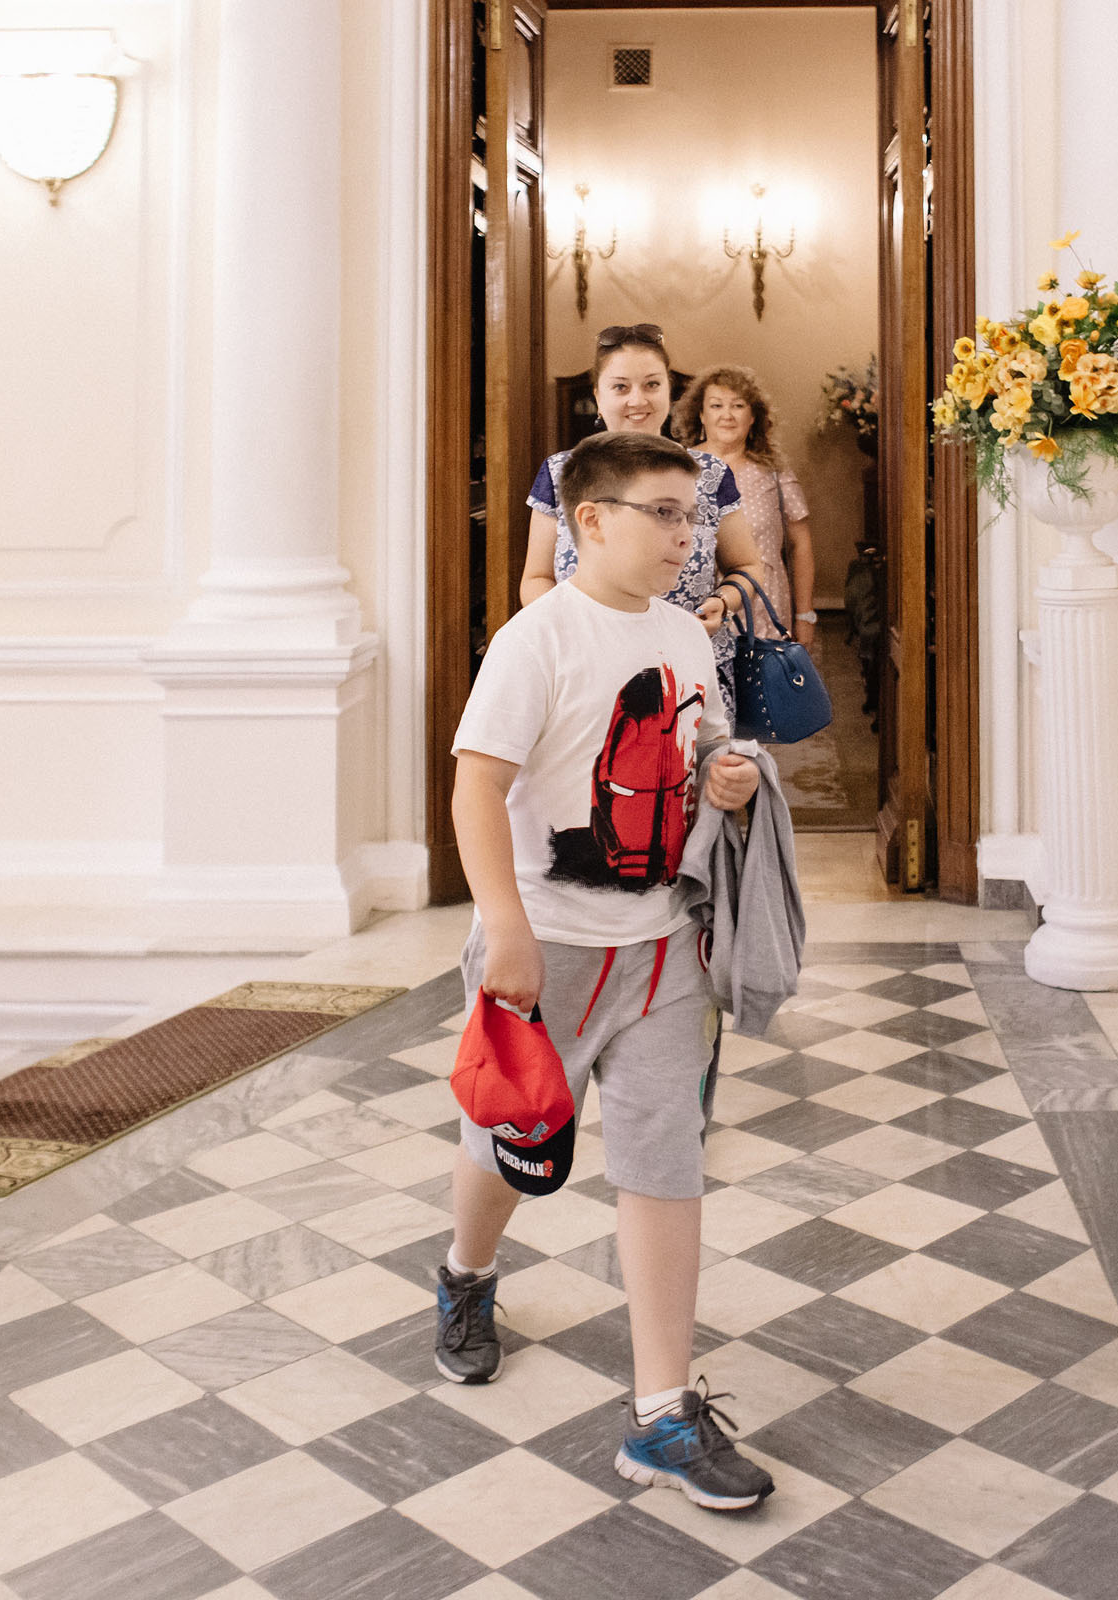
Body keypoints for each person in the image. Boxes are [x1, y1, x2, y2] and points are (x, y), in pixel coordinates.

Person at [438, 428, 775, 1511]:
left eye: (693, 515)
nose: (690, 536)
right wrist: (507, 929)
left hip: (663, 944)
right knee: (512, 1138)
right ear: (591, 520)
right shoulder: (537, 639)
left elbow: (698, 749)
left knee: (664, 1163)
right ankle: (467, 1275)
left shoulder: (685, 635)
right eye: (666, 514)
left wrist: (723, 778)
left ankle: (663, 1414)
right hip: (548, 945)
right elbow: (475, 789)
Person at [523, 325, 768, 715]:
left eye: (651, 385)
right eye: (621, 387)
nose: (638, 400)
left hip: (690, 673)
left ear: (669, 391)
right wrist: (574, 630)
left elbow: (747, 566)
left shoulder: (710, 474)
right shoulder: (560, 473)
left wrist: (724, 601)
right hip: (587, 671)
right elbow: (536, 579)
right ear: (598, 398)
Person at [672, 365, 817, 647]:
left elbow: (801, 546)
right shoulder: (677, 467)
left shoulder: (774, 472)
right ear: (701, 414)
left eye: (738, 405)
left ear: (753, 417)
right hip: (694, 611)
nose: (727, 415)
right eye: (716, 405)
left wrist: (805, 614)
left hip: (766, 611)